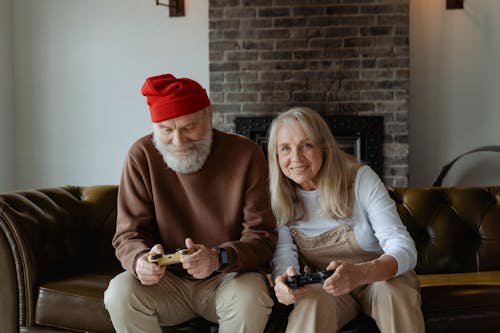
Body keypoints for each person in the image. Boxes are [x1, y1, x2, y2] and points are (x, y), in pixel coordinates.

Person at [104, 73, 277, 333]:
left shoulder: (246, 153)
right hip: (166, 284)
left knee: (252, 295)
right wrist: (140, 260)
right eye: (166, 130)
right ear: (155, 128)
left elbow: (262, 236)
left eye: (188, 128)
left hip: (227, 279)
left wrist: (219, 257)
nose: (178, 141)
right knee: (119, 292)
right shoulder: (141, 155)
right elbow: (128, 234)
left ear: (209, 116)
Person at [267, 107, 424, 333]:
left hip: (380, 279)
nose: (296, 158)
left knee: (393, 293)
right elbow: (284, 257)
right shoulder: (280, 197)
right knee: (311, 302)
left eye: (306, 145)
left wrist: (360, 273)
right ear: (276, 156)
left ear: (324, 146)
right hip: (327, 287)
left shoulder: (360, 179)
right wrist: (283, 283)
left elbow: (405, 248)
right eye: (285, 148)